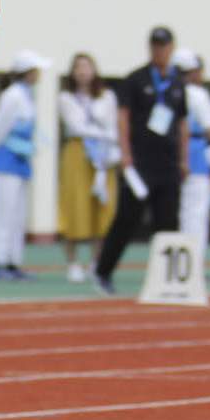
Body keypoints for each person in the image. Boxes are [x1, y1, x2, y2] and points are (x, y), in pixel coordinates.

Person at [92, 26, 188, 296]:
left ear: (171, 48)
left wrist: (184, 159)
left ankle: (166, 279)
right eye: (155, 45)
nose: (159, 50)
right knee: (126, 219)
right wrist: (126, 155)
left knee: (168, 222)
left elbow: (182, 123)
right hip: (140, 164)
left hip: (168, 164)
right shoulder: (136, 79)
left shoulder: (178, 83)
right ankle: (103, 272)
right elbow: (122, 117)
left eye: (164, 45)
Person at [0, 50, 47, 281]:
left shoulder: (28, 95)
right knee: (4, 213)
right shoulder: (12, 96)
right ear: (27, 72)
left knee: (18, 214)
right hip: (5, 162)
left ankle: (13, 261)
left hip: (21, 163)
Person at [56, 52, 118, 282]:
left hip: (103, 155)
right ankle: (73, 261)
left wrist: (108, 138)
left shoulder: (107, 96)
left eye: (87, 66)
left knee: (102, 207)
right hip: (79, 153)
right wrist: (104, 132)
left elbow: (113, 124)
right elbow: (76, 126)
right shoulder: (66, 97)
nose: (83, 71)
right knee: (75, 204)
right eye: (78, 67)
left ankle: (96, 260)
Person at [175, 50, 210, 286]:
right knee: (196, 215)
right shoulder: (197, 94)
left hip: (171, 157)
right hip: (195, 157)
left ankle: (178, 268)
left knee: (179, 215)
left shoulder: (166, 92)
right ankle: (194, 267)